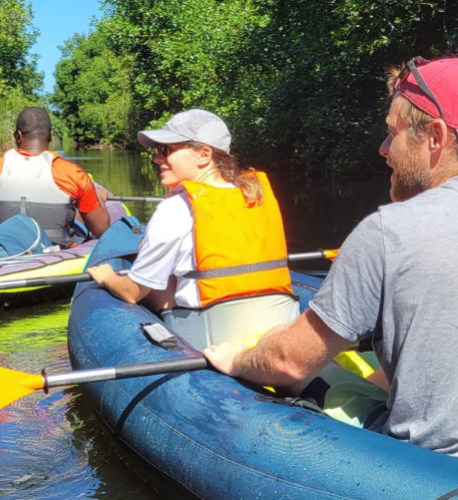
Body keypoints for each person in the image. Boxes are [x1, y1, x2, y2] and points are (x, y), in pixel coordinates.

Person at [204, 57, 458, 477]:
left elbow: (290, 362)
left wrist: (239, 358)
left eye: (392, 133)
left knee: (303, 371)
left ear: (435, 137)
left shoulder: (388, 231)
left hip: (430, 476)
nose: (383, 149)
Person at [87, 109, 299, 350]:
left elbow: (132, 293)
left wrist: (108, 278)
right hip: (280, 322)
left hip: (215, 335)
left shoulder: (175, 208)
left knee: (154, 288)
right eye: (156, 150)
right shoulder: (254, 195)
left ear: (203, 155)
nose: (157, 158)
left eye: (166, 150)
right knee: (168, 280)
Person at [0, 107, 110, 246]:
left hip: (4, 250)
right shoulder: (73, 173)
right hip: (56, 253)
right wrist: (99, 199)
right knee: (78, 215)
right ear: (51, 136)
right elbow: (102, 229)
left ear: (18, 136)